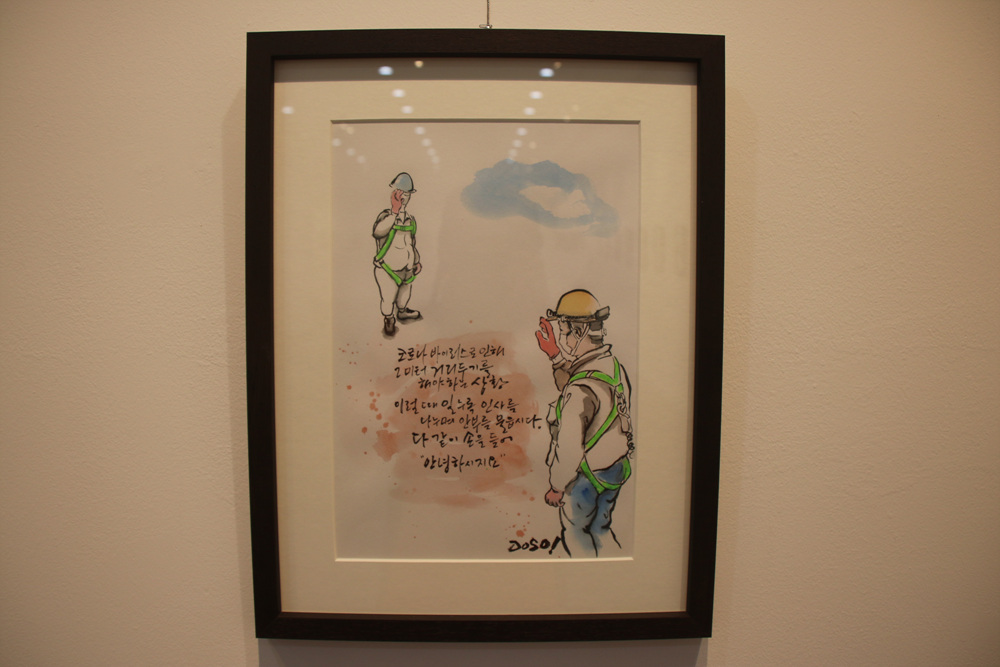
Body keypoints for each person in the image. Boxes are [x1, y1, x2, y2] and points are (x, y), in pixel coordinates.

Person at [535, 289, 634, 557]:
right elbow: (579, 378)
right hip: (615, 469)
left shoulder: (579, 390)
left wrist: (557, 487)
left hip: (585, 479)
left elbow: (569, 449)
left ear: (578, 332)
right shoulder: (614, 366)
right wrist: (555, 355)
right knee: (601, 528)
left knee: (577, 533)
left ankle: (586, 576)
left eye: (564, 331)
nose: (563, 338)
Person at [373, 172, 422, 336]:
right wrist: (394, 211)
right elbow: (378, 232)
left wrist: (416, 261)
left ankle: (402, 312)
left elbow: (411, 243)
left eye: (407, 194)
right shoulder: (386, 216)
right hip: (387, 269)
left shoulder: (410, 219)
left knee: (404, 295)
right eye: (400, 193)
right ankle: (389, 319)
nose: (403, 197)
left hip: (407, 269)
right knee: (388, 298)